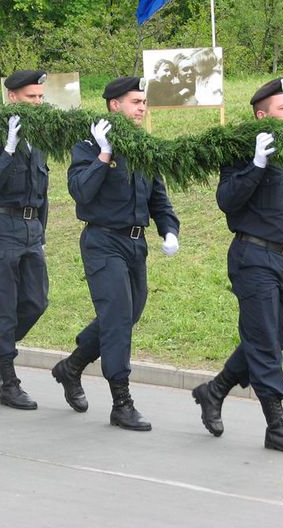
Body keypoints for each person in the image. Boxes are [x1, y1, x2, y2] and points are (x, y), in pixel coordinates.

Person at [191, 77, 283, 454]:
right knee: (266, 342)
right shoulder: (241, 150)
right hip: (252, 257)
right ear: (261, 114)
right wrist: (256, 164)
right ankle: (277, 425)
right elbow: (227, 201)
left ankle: (214, 390)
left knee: (269, 339)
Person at [52, 76, 180, 431]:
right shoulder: (88, 145)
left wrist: (169, 227)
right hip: (103, 241)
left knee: (129, 313)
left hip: (136, 244)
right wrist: (104, 153)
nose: (142, 108)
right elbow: (81, 191)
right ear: (114, 105)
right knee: (119, 316)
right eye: (135, 101)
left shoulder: (142, 146)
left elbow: (158, 197)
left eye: (143, 102)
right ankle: (121, 402)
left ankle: (72, 366)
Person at [0, 70, 49, 410]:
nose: (37, 102)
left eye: (40, 97)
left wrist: (41, 232)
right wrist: (8, 148)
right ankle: (8, 378)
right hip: (2, 226)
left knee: (36, 301)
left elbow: (41, 191)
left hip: (32, 231)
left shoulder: (37, 137)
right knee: (4, 306)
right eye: (31, 96)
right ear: (13, 97)